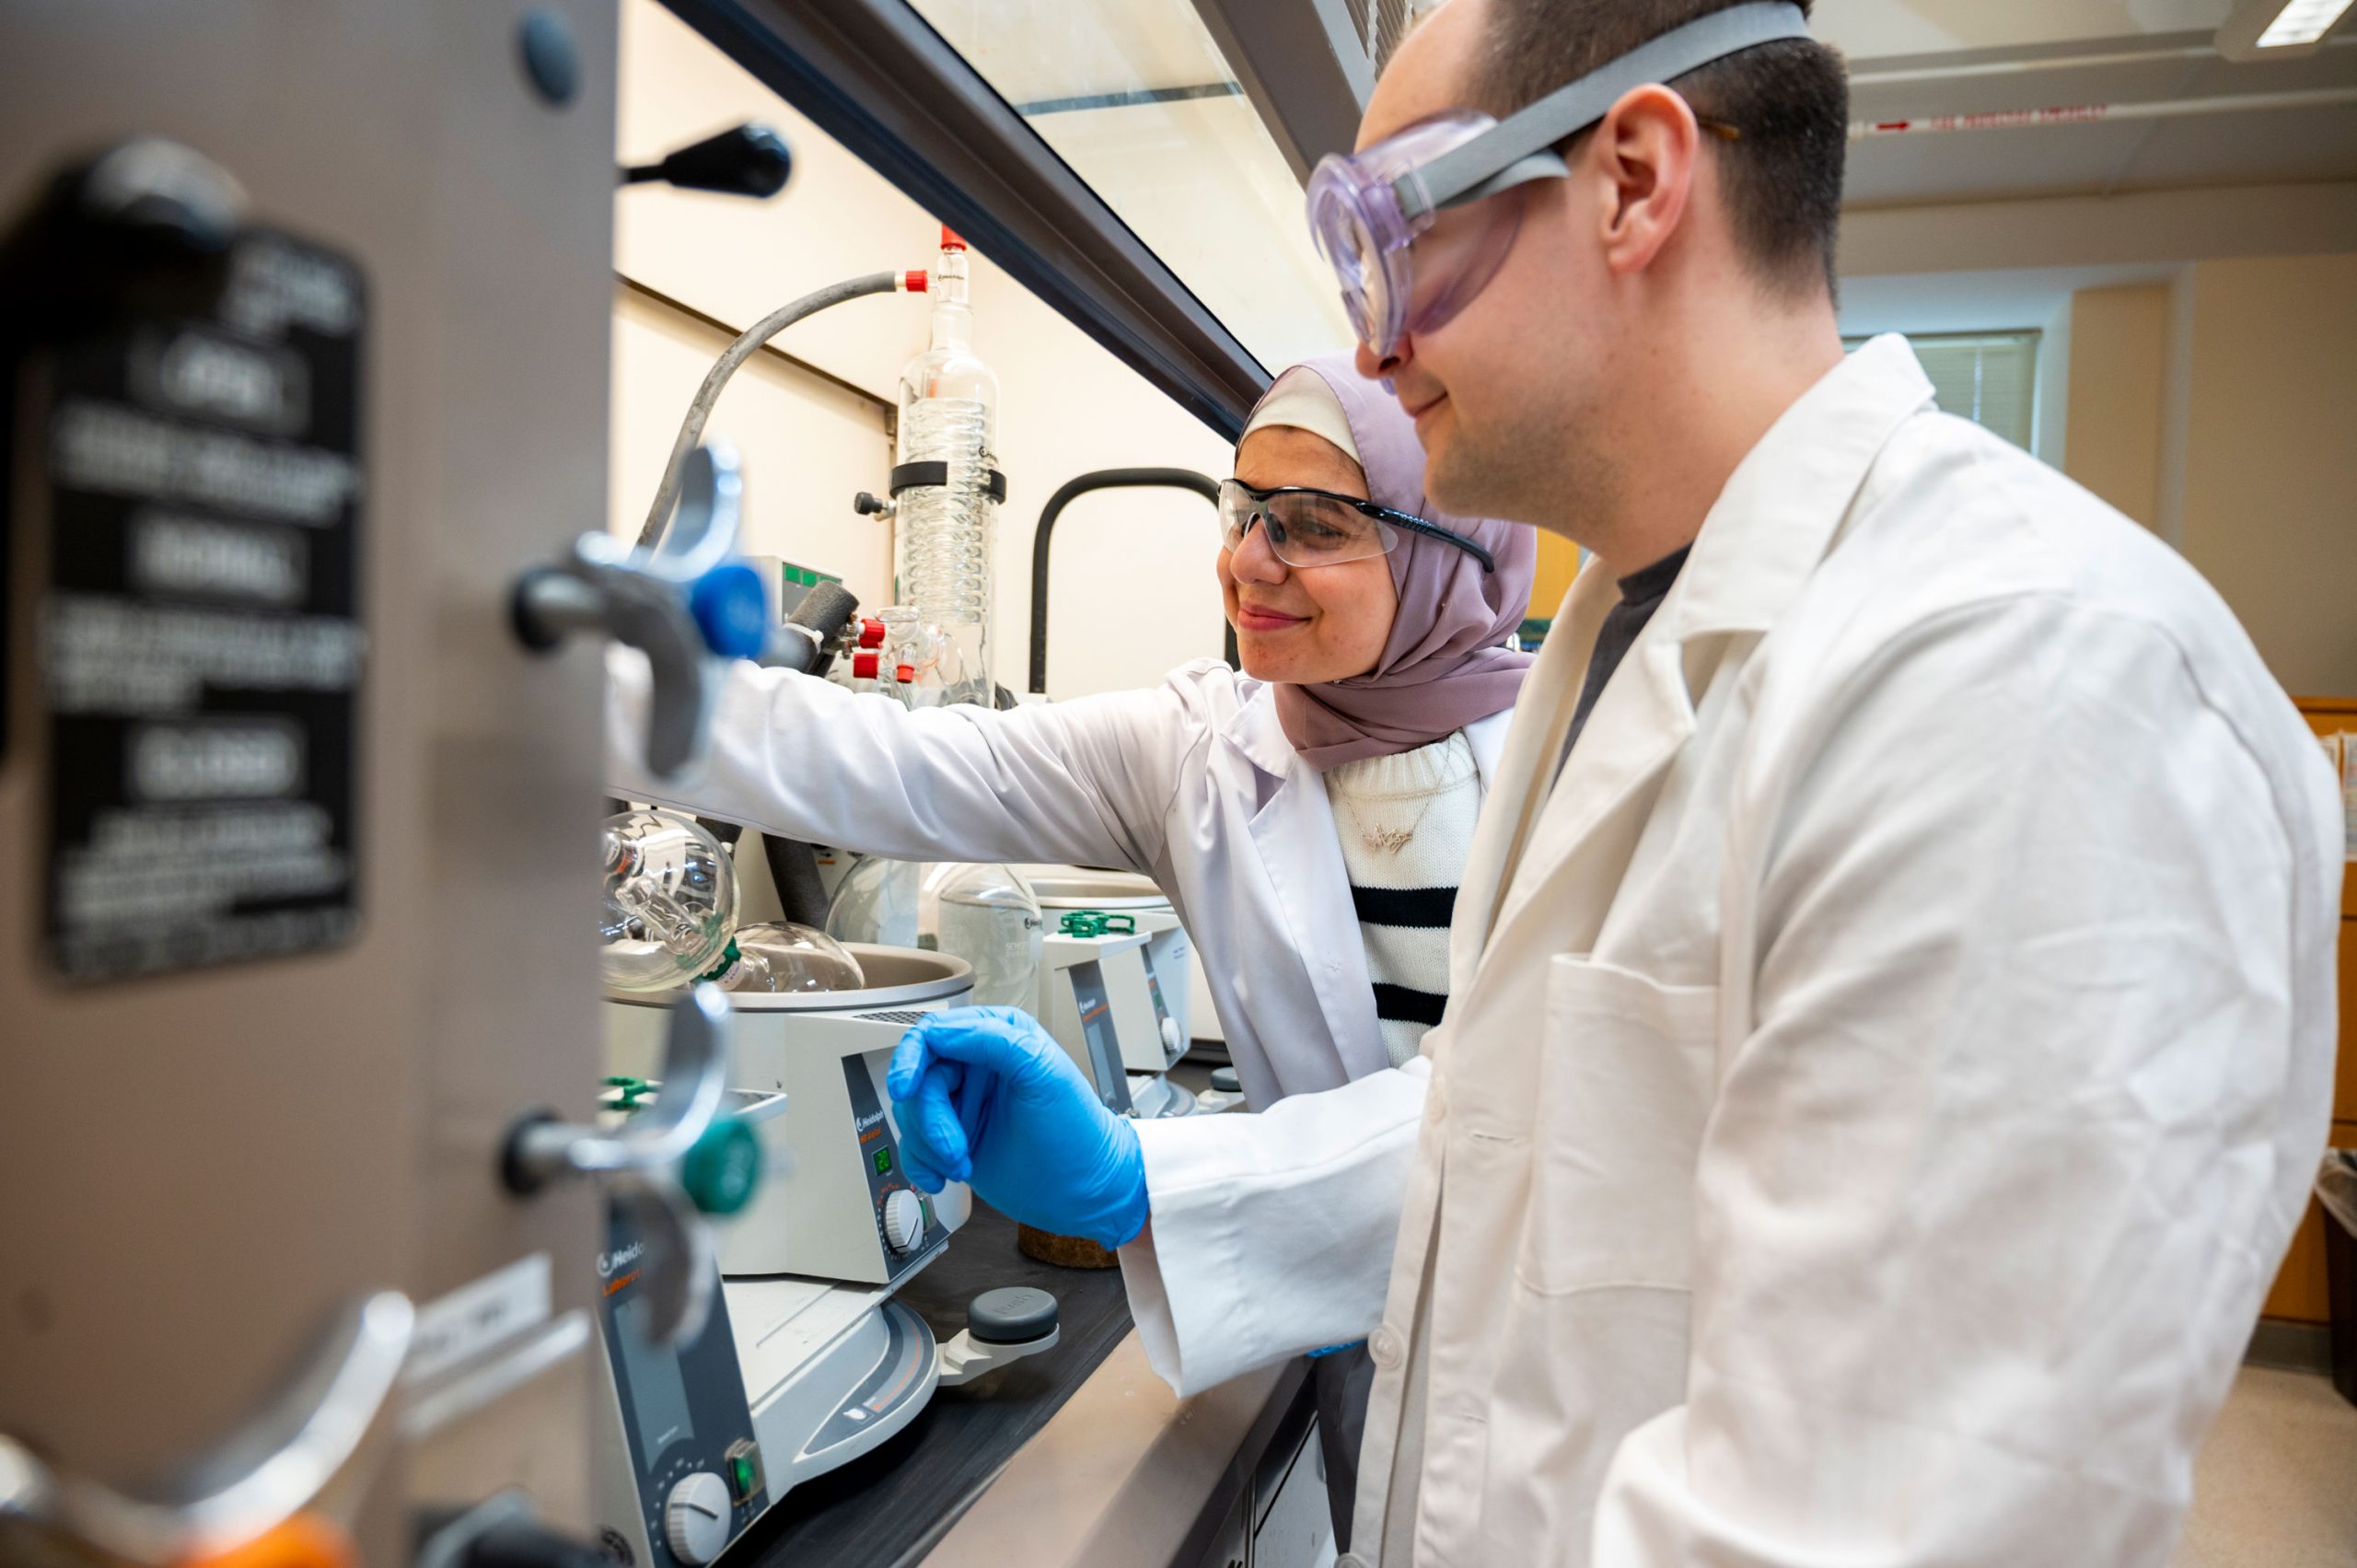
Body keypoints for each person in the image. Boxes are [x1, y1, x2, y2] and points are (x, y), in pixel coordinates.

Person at [886, 2, 2345, 1564]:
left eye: (1397, 236)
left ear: (1635, 179)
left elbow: (1873, 1528)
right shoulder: (1619, 640)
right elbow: (1503, 1132)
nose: (1370, 343)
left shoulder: (2026, 685)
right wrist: (1151, 1182)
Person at [607, 352, 1535, 1536]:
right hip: (1372, 1362)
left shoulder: (1579, 767)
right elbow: (895, 763)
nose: (1249, 560)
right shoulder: (1199, 746)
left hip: (1571, 1382)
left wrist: (1147, 1182)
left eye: (1311, 524)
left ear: (1448, 552)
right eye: (1244, 508)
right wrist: (601, 682)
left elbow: (1510, 1123)